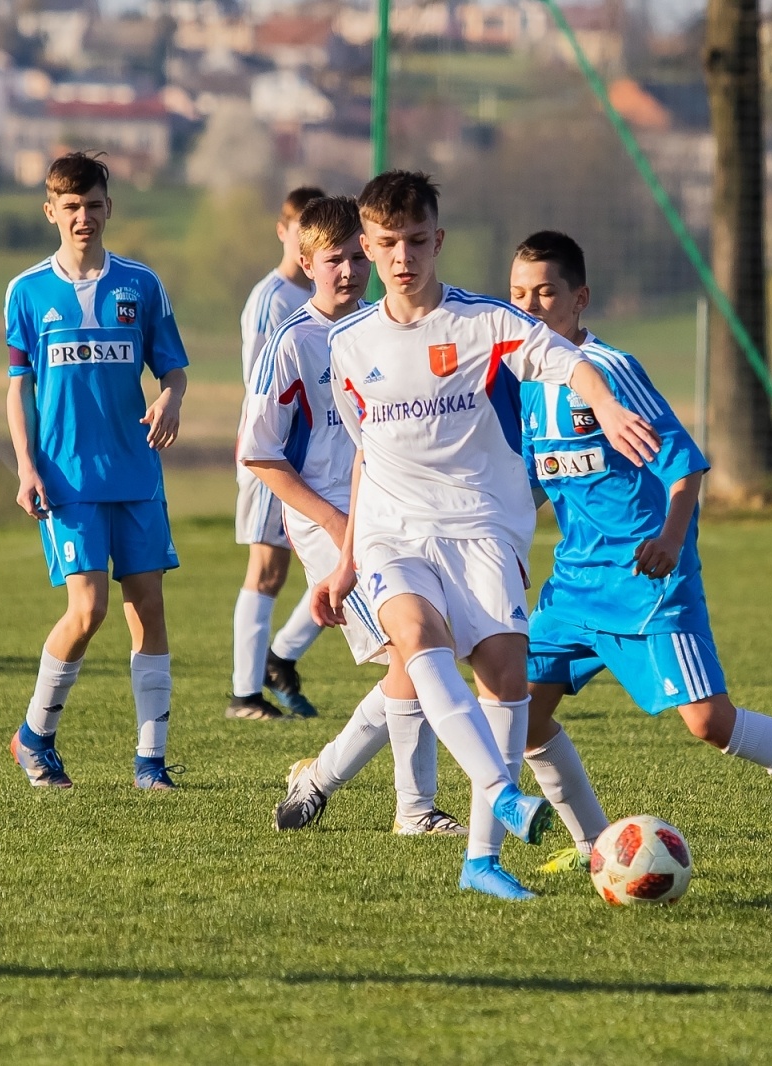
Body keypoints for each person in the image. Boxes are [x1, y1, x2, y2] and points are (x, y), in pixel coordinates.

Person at [508, 231, 772, 892]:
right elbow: (534, 487)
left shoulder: (610, 371)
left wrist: (669, 539)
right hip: (574, 587)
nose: (531, 307)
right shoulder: (525, 386)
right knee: (522, 715)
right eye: (519, 294)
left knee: (710, 724)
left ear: (579, 299)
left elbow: (684, 463)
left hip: (648, 581)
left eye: (546, 293)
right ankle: (592, 846)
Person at [312, 172, 660, 901]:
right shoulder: (346, 344)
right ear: (367, 248)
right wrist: (347, 559)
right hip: (393, 531)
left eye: (415, 241)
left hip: (481, 528)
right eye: (386, 244)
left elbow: (574, 366)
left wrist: (610, 408)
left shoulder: (487, 324)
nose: (401, 257)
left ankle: (481, 862)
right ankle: (501, 791)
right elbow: (366, 453)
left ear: (437, 241)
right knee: (413, 633)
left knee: (504, 674)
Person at [241, 195, 463, 836]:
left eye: (353, 258)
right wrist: (339, 530)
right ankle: (413, 810)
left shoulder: (380, 331)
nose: (347, 272)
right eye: (331, 260)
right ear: (307, 262)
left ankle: (320, 779)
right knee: (414, 650)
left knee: (421, 653)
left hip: (395, 515)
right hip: (328, 524)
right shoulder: (292, 343)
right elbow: (258, 453)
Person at [4, 152, 189, 791]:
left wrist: (171, 396)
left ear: (110, 207)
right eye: (71, 206)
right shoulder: (26, 292)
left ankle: (150, 763)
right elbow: (18, 389)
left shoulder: (141, 285)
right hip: (66, 480)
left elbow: (174, 368)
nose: (84, 217)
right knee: (89, 610)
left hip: (136, 474)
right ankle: (34, 736)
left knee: (149, 607)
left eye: (94, 204)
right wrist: (27, 467)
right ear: (51, 211)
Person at [230, 187, 328, 720]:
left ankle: (280, 657)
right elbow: (263, 386)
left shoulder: (324, 297)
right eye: (299, 229)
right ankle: (246, 693)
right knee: (266, 567)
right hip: (278, 455)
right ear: (283, 231)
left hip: (318, 456)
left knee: (337, 562)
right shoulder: (273, 300)